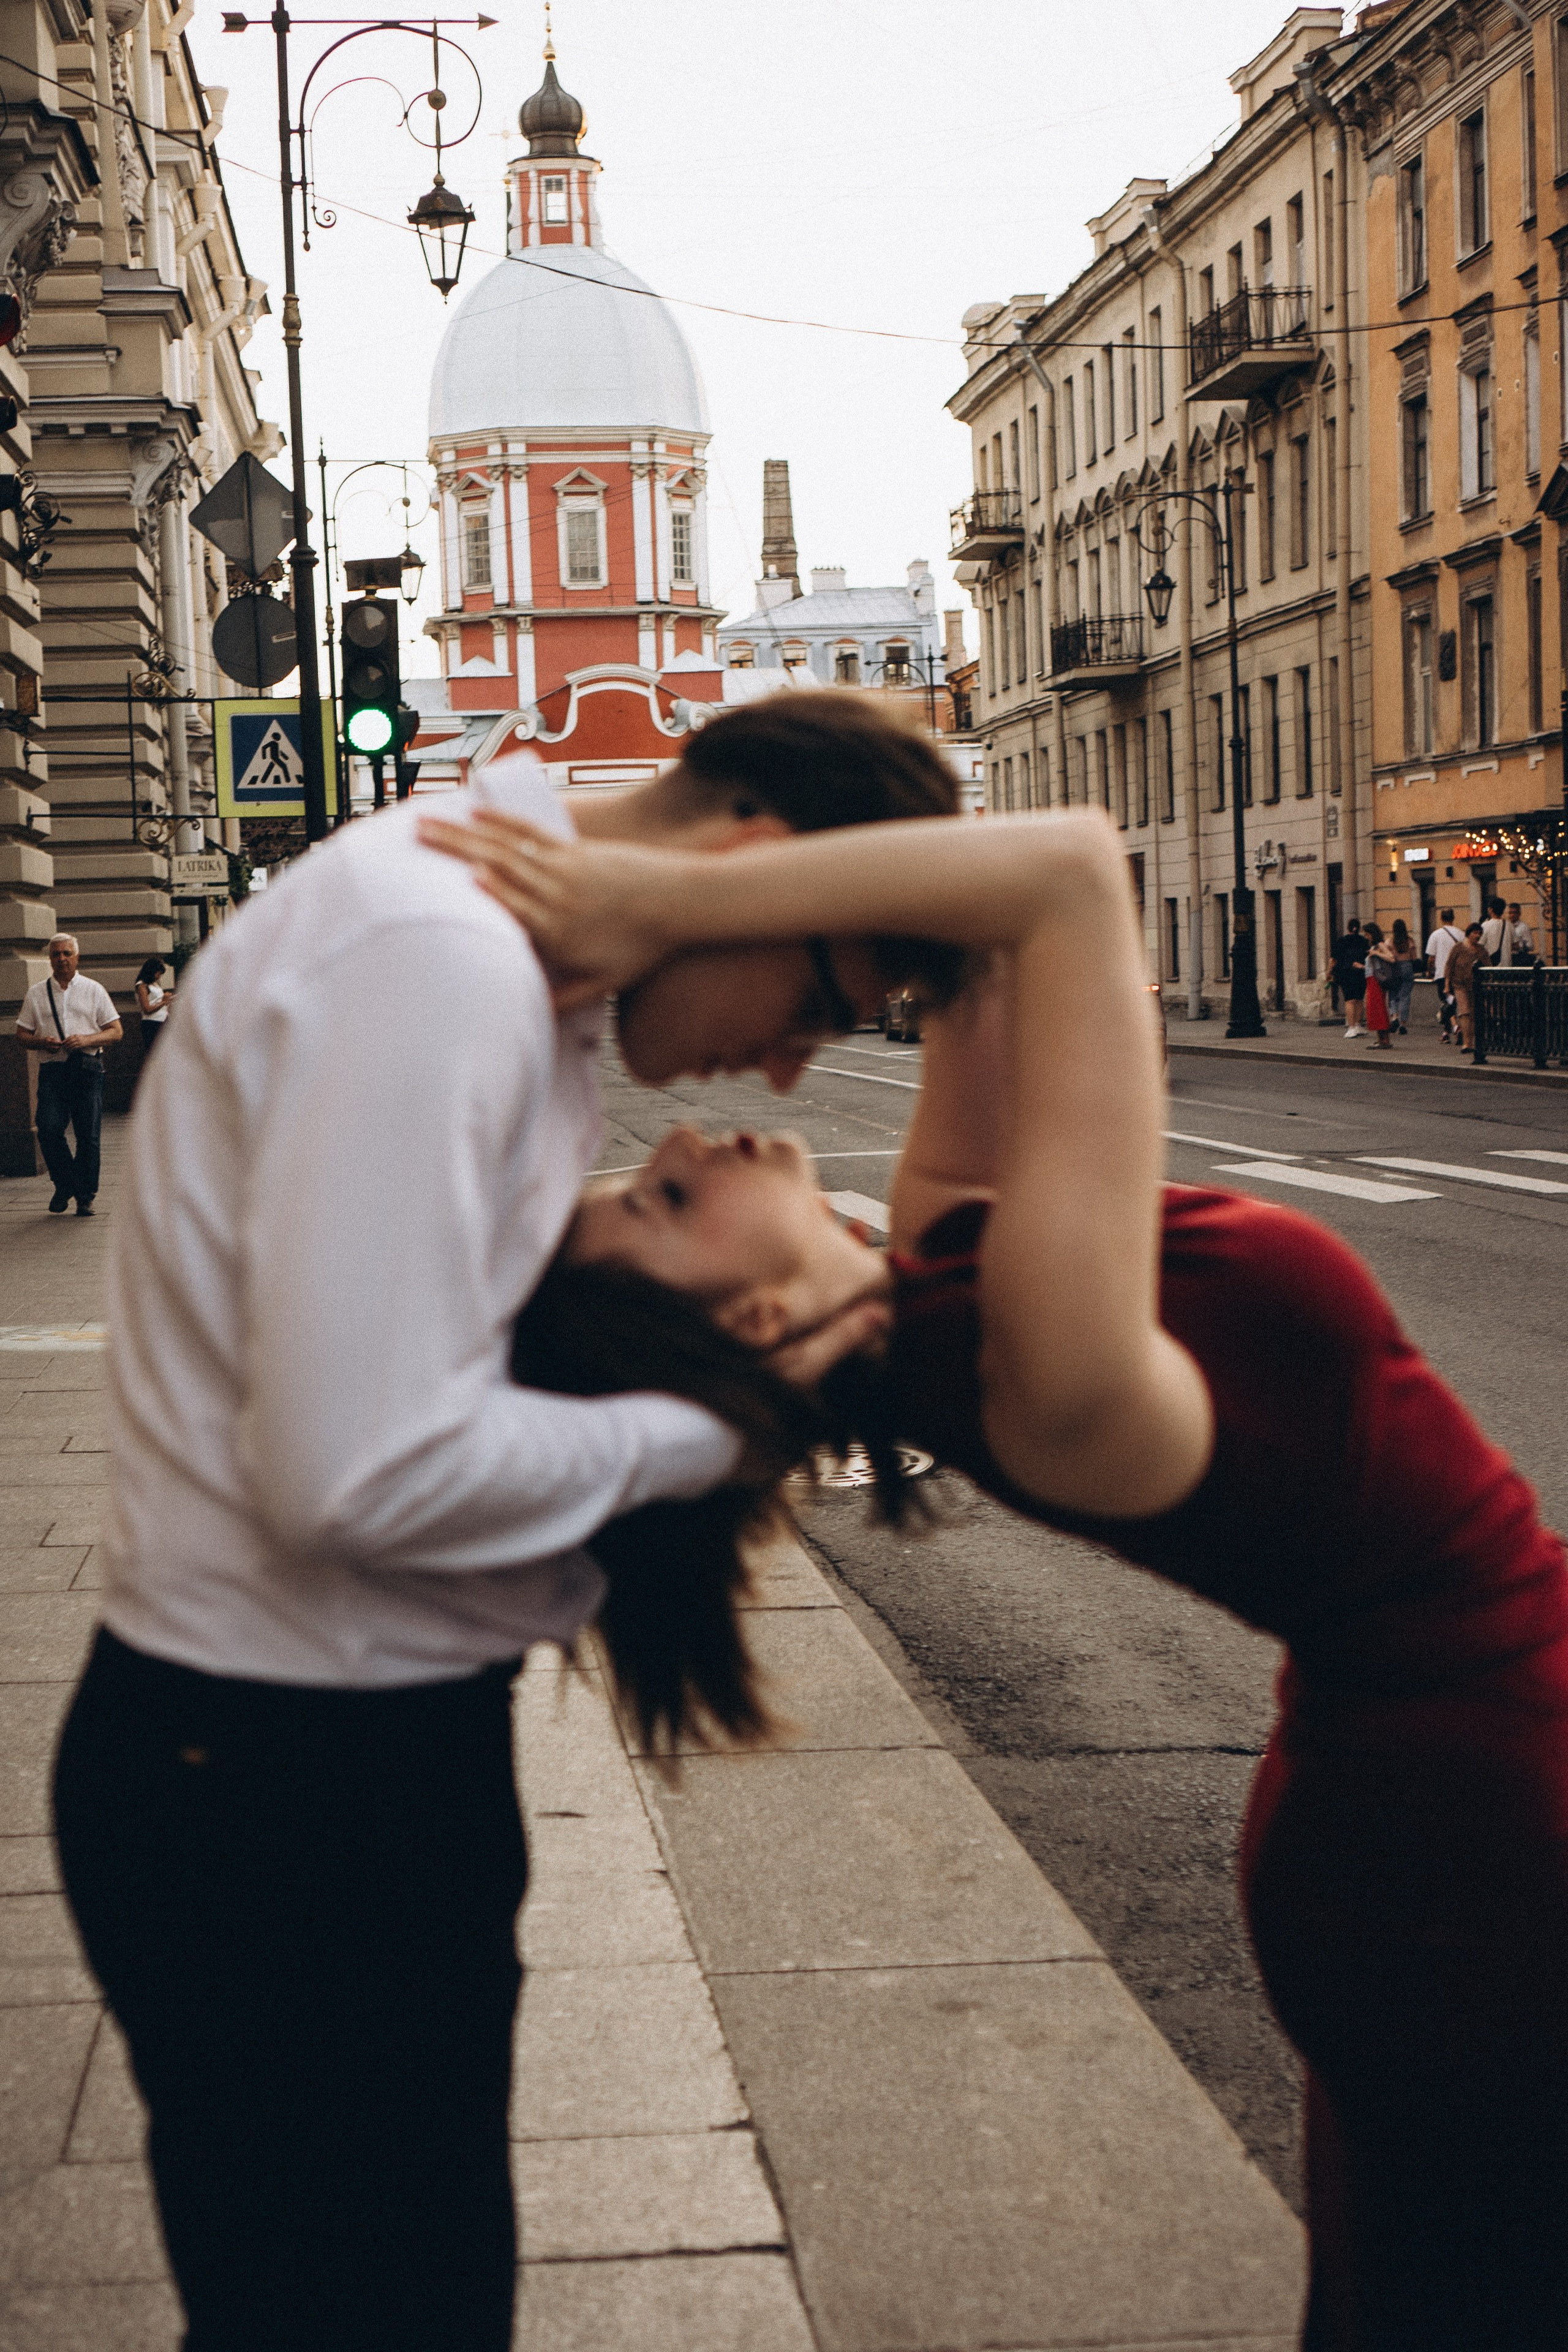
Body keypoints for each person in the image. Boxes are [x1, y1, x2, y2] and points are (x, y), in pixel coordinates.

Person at [428, 802, 1568, 2352]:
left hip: (1423, 1804)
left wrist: (713, 903)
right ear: (756, 1326)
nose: (681, 1142)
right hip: (1482, 1831)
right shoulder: (1045, 1370)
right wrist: (638, 889)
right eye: (661, 1206)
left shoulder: (951, 1262)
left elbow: (990, 926)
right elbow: (1065, 874)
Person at [52, 691, 962, 2352]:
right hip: (284, 1790)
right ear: (752, 868)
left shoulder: (507, 968)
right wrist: (710, 1430)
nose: (785, 1066)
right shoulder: (437, 961)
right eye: (824, 1004)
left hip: (314, 1769)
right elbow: (355, 1475)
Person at [14, 932, 123, 1216]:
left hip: (87, 1071)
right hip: (53, 1072)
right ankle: (65, 1184)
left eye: (66, 953)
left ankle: (85, 1196)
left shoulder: (93, 990)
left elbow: (116, 1031)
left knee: (88, 1136)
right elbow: (22, 1035)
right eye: (55, 954)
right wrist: (42, 1042)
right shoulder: (37, 993)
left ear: (77, 957)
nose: (61, 959)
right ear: (50, 959)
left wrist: (86, 1040)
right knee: (48, 1130)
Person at [1446, 920, 1486, 1054]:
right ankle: (1467, 1043)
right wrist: (1447, 985)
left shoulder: (1482, 950)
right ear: (1468, 934)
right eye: (1475, 933)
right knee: (1464, 1013)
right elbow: (1449, 966)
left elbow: (1488, 967)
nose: (1478, 936)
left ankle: (1471, 1041)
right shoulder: (1458, 948)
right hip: (1459, 985)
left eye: (1480, 933)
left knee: (1474, 1014)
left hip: (1475, 986)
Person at [1425, 908, 1464, 1041]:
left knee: (1446, 1002)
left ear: (1441, 919)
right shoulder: (1461, 934)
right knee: (1452, 1003)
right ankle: (1446, 1033)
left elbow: (1431, 958)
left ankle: (1455, 1027)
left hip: (1442, 973)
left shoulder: (1435, 935)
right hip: (1458, 974)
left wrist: (1430, 971)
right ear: (1453, 918)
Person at [1329, 918, 1366, 1038]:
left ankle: (1351, 1028)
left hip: (1346, 973)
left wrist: (1329, 973)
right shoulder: (1363, 941)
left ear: (1348, 928)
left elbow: (1334, 960)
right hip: (1361, 973)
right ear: (1359, 928)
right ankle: (1358, 1025)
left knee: (1350, 1001)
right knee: (1360, 1000)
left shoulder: (1342, 941)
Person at [1361, 922, 1393, 1050]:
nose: (1367, 937)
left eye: (1368, 934)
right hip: (1371, 979)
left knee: (1378, 1008)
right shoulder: (1374, 946)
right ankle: (1380, 1039)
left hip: (1376, 980)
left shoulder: (1380, 945)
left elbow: (1391, 958)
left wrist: (1376, 954)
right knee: (1374, 1008)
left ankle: (1384, 1039)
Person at [134, 955, 173, 1057]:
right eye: (158, 974)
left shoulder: (155, 985)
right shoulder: (142, 986)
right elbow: (147, 1009)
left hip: (162, 1020)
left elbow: (157, 1000)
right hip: (152, 1023)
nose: (159, 977)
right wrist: (164, 1002)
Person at [1385, 919, 1417, 1034]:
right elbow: (1414, 958)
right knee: (1405, 996)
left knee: (1393, 994)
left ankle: (1394, 1017)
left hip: (1394, 968)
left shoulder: (1390, 942)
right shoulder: (1410, 941)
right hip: (1407, 967)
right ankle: (1403, 1024)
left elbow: (1387, 956)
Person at [1480, 895, 1513, 967]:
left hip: (1492, 965)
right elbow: (1516, 945)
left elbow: (1480, 945)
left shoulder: (1485, 926)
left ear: (1490, 910)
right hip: (1507, 965)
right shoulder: (1509, 925)